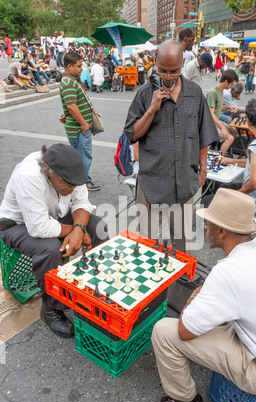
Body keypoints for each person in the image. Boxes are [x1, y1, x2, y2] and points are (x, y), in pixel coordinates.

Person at [147, 188, 256, 402]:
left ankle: (184, 400)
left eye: (208, 224)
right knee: (213, 313)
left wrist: (193, 299)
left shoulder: (228, 273)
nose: (205, 228)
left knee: (163, 331)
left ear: (221, 230)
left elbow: (184, 332)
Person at [0, 143, 108, 338]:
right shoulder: (29, 176)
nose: (72, 187)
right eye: (67, 184)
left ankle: (97, 290)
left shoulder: (72, 172)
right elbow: (38, 227)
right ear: (48, 171)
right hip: (17, 224)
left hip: (54, 217)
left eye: (75, 184)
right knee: (49, 249)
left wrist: (80, 229)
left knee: (97, 226)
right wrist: (77, 231)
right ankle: (51, 308)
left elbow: (82, 203)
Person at [124, 40, 218, 253]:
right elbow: (132, 135)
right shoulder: (145, 94)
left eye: (173, 71)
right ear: (155, 63)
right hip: (151, 182)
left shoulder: (195, 94)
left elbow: (204, 135)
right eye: (162, 70)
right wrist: (151, 109)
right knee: (145, 243)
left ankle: (181, 284)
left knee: (182, 243)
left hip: (184, 182)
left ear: (183, 63)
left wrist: (203, 169)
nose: (167, 76)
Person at [59, 51, 100, 191]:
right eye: (78, 66)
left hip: (77, 127)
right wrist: (83, 123)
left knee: (79, 155)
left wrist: (66, 114)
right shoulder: (69, 82)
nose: (81, 68)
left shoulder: (70, 80)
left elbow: (70, 104)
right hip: (79, 129)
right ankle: (84, 183)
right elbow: (71, 105)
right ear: (69, 67)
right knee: (83, 156)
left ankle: (78, 182)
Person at [206, 69, 238, 155]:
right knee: (230, 138)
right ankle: (219, 159)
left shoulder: (220, 91)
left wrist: (228, 107)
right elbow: (211, 113)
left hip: (216, 122)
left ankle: (222, 149)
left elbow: (218, 108)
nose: (231, 87)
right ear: (226, 82)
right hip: (209, 124)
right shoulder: (213, 92)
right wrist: (223, 128)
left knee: (234, 131)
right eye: (231, 84)